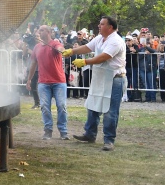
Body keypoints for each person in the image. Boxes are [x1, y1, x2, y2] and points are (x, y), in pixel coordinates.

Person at [62, 15, 126, 151]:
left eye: (102, 24)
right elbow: (87, 47)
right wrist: (72, 51)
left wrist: (84, 62)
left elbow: (104, 57)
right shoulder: (99, 38)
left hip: (115, 78)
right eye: (99, 23)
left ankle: (109, 140)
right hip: (100, 77)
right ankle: (89, 134)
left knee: (110, 111)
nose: (99, 26)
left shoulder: (116, 41)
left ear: (110, 27)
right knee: (93, 105)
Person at [26, 25, 68, 140]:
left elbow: (61, 49)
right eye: (39, 30)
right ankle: (48, 130)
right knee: (44, 106)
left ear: (48, 32)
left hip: (59, 81)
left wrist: (61, 50)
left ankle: (63, 131)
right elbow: (33, 64)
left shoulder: (55, 44)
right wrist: (29, 79)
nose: (39, 32)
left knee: (62, 105)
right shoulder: (36, 47)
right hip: (43, 82)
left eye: (42, 30)